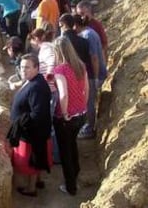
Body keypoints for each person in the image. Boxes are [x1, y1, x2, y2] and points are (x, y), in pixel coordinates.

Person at [7, 54, 52, 197]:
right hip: (35, 132)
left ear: (36, 68)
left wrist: (20, 122)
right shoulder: (34, 80)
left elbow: (37, 113)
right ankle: (38, 181)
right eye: (21, 67)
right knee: (37, 159)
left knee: (32, 160)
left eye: (27, 67)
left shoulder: (37, 87)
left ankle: (31, 188)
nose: (23, 70)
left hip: (32, 133)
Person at [52, 36, 89, 195]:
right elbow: (86, 89)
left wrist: (65, 113)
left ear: (58, 51)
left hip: (66, 118)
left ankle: (70, 187)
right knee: (72, 144)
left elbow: (63, 95)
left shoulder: (60, 70)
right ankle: (76, 173)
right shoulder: (80, 65)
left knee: (65, 152)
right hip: (81, 114)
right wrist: (83, 106)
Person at [73, 14, 107, 139]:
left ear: (75, 25)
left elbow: (94, 57)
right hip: (93, 73)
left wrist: (97, 77)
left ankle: (89, 129)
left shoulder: (88, 35)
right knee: (89, 101)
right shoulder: (88, 32)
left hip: (93, 74)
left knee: (89, 102)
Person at [29, 27, 60, 163]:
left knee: (50, 126)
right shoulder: (46, 47)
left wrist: (48, 76)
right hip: (50, 91)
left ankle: (55, 156)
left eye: (31, 41)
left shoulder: (46, 48)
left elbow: (51, 62)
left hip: (50, 92)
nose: (31, 44)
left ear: (37, 39)